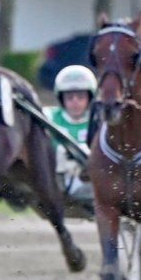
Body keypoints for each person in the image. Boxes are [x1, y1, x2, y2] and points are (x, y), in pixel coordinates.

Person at [48, 64, 96, 205]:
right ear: (61, 99)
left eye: (80, 97)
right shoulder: (49, 117)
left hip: (89, 179)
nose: (75, 101)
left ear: (89, 98)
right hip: (55, 178)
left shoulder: (98, 120)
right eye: (69, 97)